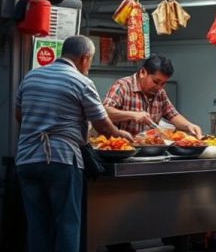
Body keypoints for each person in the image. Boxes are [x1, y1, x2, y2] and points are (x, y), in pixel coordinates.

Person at [15, 36, 132, 252]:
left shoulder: (31, 76)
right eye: (90, 60)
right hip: (62, 160)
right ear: (84, 58)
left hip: (26, 159)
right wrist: (121, 134)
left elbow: (20, 116)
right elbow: (103, 125)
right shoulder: (81, 81)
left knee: (38, 225)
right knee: (67, 223)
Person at [103, 54, 203, 138]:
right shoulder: (122, 86)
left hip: (150, 148)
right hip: (122, 148)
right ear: (143, 72)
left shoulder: (160, 93)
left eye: (163, 83)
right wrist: (133, 115)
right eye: (156, 82)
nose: (159, 87)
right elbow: (104, 112)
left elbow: (173, 115)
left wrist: (189, 125)